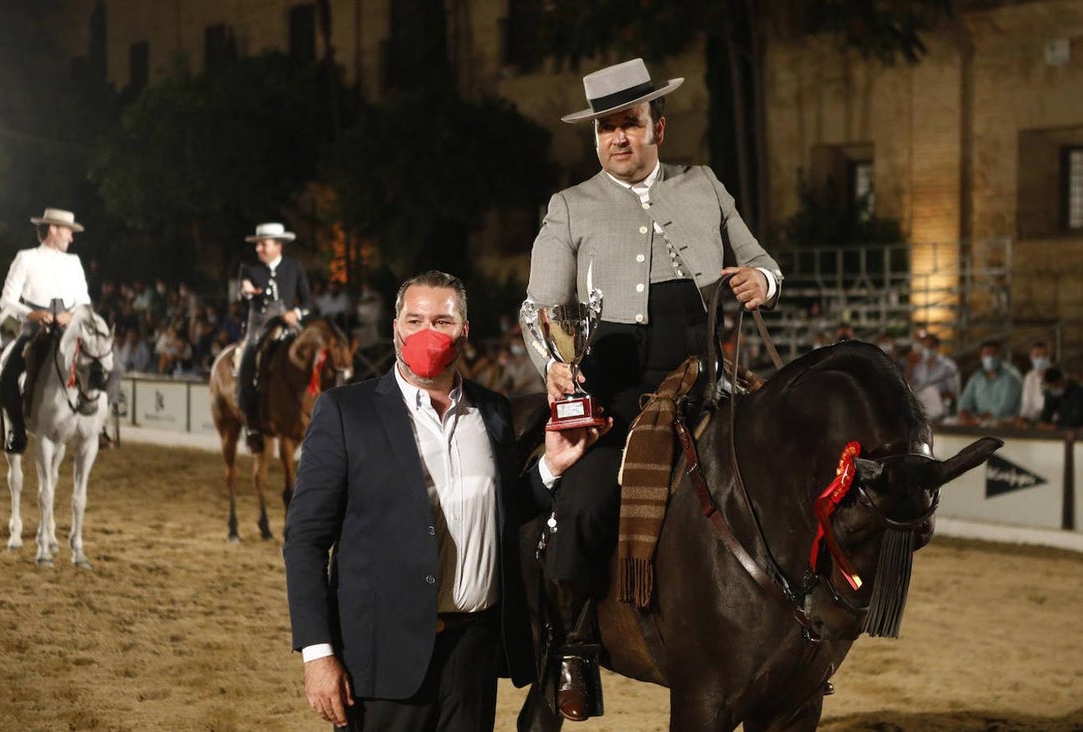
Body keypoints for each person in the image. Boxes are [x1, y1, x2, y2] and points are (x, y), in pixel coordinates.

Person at [519, 57, 782, 720]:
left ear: (657, 126)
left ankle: (795, 636)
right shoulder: (569, 206)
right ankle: (574, 647)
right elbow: (537, 310)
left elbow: (758, 259)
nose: (618, 138)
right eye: (606, 128)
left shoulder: (703, 186)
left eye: (629, 124)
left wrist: (763, 282)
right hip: (613, 401)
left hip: (704, 388)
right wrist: (551, 364)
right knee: (577, 509)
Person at [283, 270, 609, 731]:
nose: (426, 333)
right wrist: (318, 655)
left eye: (442, 321)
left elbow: (502, 513)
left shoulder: (493, 411)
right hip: (381, 659)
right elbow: (305, 541)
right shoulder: (344, 412)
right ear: (396, 327)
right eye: (414, 320)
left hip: (473, 655)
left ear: (464, 331)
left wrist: (551, 468)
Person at [0, 208, 92, 453]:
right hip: (35, 329)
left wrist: (70, 315)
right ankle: (18, 430)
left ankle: (96, 426)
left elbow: (84, 301)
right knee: (7, 376)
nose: (71, 238)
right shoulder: (26, 258)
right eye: (68, 231)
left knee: (101, 363)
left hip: (68, 328)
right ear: (52, 229)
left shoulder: (74, 262)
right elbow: (7, 300)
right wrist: (33, 314)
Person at [237, 222, 311, 452]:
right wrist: (245, 290)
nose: (259, 248)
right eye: (258, 244)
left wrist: (295, 312)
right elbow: (243, 292)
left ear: (278, 246)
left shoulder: (294, 267)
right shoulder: (248, 268)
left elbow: (308, 302)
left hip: (288, 326)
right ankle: (252, 427)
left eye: (263, 244)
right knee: (246, 364)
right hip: (258, 326)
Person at [957, 340, 1023, 426]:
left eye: (994, 354)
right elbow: (964, 402)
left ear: (1000, 356)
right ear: (980, 356)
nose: (990, 357)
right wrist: (964, 415)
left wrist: (981, 418)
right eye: (987, 354)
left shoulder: (1011, 377)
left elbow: (1005, 408)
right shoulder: (977, 377)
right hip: (980, 424)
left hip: (1006, 425)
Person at [908, 332, 961, 423]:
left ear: (937, 347)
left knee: (930, 391)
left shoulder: (948, 366)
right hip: (920, 411)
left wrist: (933, 396)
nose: (927, 349)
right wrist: (910, 366)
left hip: (941, 411)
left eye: (930, 346)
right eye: (925, 346)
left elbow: (954, 393)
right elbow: (910, 387)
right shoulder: (918, 366)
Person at [1017, 341, 1052, 426]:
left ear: (1049, 357)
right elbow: (1026, 403)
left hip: (1052, 421)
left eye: (1044, 355)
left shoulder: (1057, 375)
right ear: (1031, 358)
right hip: (1034, 421)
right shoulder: (1029, 377)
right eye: (1037, 355)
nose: (1041, 358)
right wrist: (1023, 418)